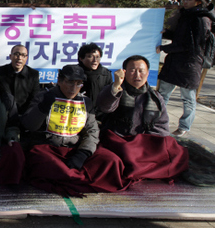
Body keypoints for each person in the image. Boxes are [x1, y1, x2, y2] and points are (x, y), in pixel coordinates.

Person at [22, 64, 127, 196]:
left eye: (78, 84)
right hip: (48, 147)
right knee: (47, 164)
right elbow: (29, 125)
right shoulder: (44, 96)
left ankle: (73, 178)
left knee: (111, 161)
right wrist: (42, 108)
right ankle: (76, 180)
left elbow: (92, 131)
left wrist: (83, 153)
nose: (74, 88)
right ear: (59, 81)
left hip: (75, 148)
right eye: (70, 82)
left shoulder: (85, 102)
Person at [97, 55, 188, 181]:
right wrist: (116, 86)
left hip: (144, 143)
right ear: (124, 72)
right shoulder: (115, 90)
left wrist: (150, 143)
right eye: (132, 71)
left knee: (176, 152)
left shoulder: (155, 97)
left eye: (141, 71)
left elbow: (162, 126)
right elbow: (105, 107)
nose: (137, 75)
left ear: (148, 73)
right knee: (117, 158)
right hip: (119, 141)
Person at [157, 0, 215, 136]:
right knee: (162, 94)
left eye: (189, 0)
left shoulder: (202, 19)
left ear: (197, 2)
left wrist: (165, 48)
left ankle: (184, 126)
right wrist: (168, 33)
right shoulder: (186, 15)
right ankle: (158, 121)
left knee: (188, 97)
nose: (185, 2)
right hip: (175, 61)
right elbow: (180, 36)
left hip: (190, 63)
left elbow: (192, 44)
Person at [0, 45, 40, 115]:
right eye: (16, 54)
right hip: (3, 114)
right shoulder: (0, 72)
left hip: (24, 115)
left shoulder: (33, 74)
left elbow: (34, 98)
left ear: (26, 58)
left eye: (23, 55)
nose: (19, 58)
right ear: (10, 56)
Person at [77, 43, 113, 119]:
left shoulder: (106, 73)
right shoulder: (75, 72)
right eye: (90, 56)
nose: (95, 60)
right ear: (81, 58)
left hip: (100, 115)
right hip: (77, 113)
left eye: (97, 57)